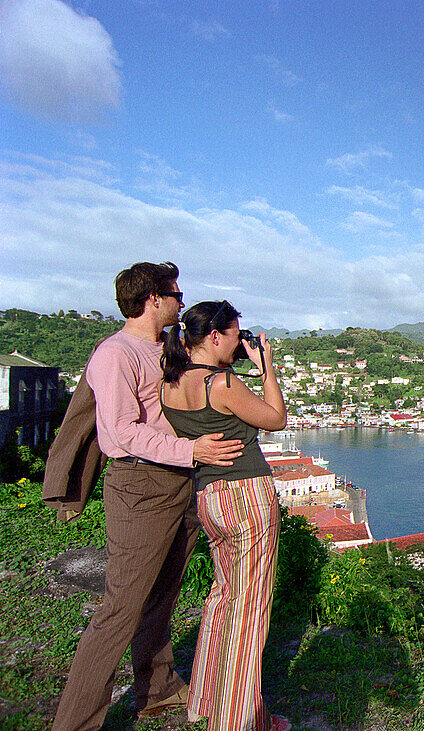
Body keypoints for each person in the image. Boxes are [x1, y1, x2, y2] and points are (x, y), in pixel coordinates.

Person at [51, 262, 243, 731]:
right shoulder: (114, 354)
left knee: (163, 593)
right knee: (120, 608)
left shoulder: (166, 348)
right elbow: (119, 433)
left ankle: (155, 689)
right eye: (176, 294)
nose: (182, 302)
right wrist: (190, 448)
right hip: (140, 485)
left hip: (181, 479)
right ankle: (74, 723)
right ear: (153, 298)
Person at [159, 300, 288, 731]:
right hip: (246, 496)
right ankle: (240, 720)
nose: (238, 342)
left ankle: (205, 702)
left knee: (222, 601)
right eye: (234, 334)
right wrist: (267, 368)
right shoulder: (222, 383)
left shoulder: (169, 384)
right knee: (250, 611)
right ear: (214, 336)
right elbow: (276, 419)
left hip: (208, 497)